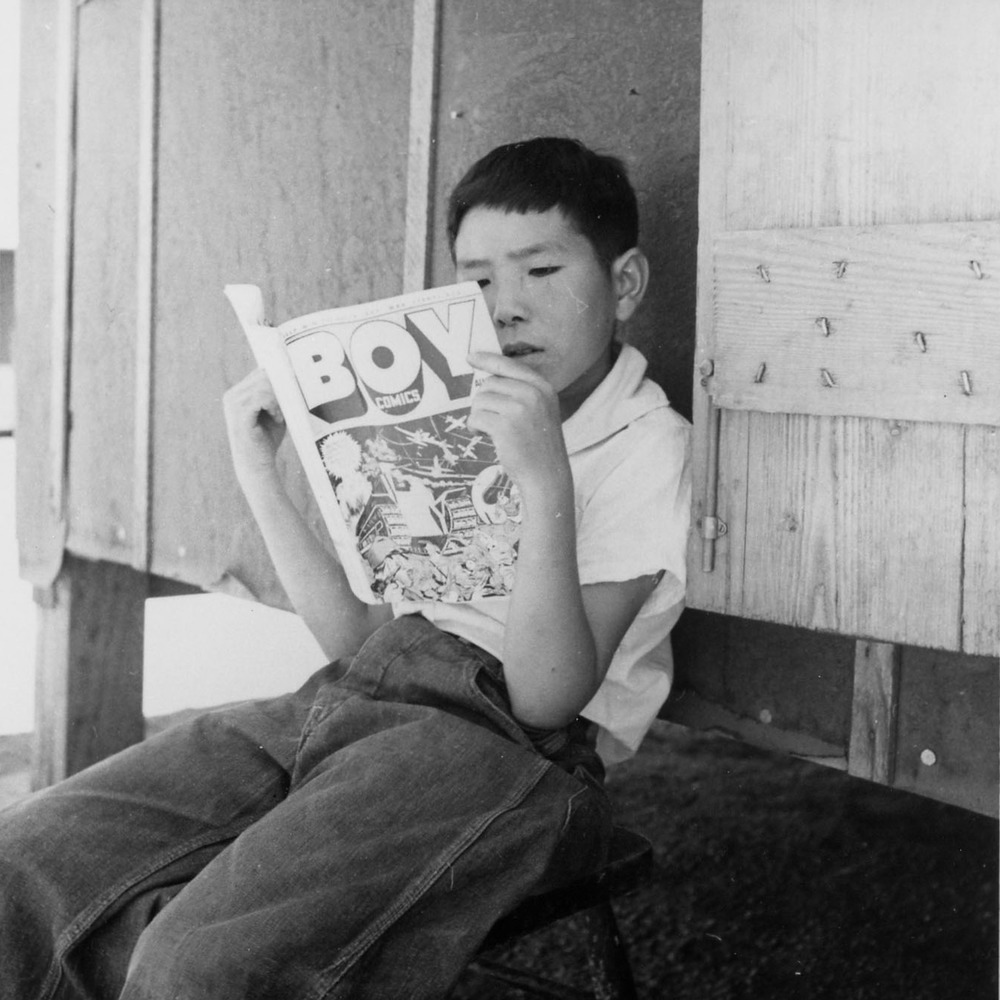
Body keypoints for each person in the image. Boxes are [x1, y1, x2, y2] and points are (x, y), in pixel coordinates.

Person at [0, 137, 691, 999]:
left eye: (542, 272)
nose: (505, 308)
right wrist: (263, 471)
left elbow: (544, 697)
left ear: (624, 284)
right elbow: (362, 638)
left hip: (512, 752)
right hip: (357, 698)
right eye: (477, 281)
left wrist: (543, 478)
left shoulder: (646, 444)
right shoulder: (452, 406)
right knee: (25, 861)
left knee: (196, 963)